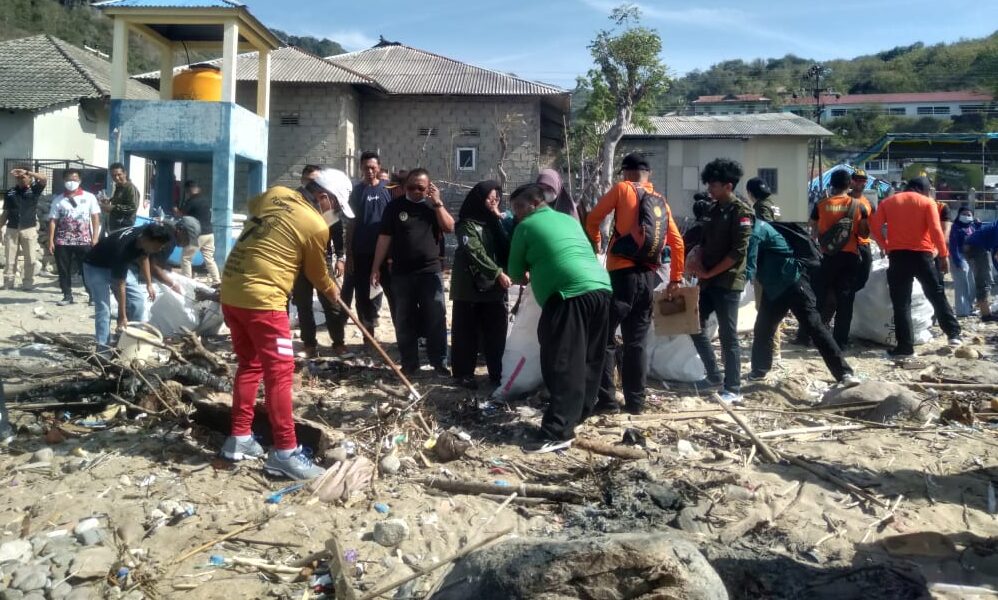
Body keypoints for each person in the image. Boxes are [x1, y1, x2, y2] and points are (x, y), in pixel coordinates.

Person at [219, 168, 352, 480]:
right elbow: (318, 274)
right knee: (280, 374)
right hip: (264, 300)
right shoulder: (315, 224)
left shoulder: (275, 194)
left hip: (232, 291)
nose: (334, 215)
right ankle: (285, 452)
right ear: (322, 197)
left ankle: (238, 437)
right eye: (335, 207)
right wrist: (336, 294)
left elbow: (255, 208)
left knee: (249, 365)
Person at [507, 183, 611, 453]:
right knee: (589, 357)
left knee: (561, 361)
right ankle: (579, 414)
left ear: (535, 203)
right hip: (601, 288)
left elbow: (516, 273)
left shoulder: (525, 227)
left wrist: (532, 268)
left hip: (567, 294)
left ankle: (557, 430)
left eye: (519, 207)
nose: (516, 213)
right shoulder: (567, 219)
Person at [585, 153, 684, 415]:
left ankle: (607, 402)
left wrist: (596, 243)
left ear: (626, 173)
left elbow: (593, 218)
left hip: (622, 275)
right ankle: (636, 403)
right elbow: (677, 243)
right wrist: (675, 278)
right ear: (648, 174)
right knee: (636, 342)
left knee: (605, 338)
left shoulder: (622, 189)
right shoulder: (660, 201)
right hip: (648, 279)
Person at [745, 218, 860, 386]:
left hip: (792, 282)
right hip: (773, 287)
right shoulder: (747, 229)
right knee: (763, 329)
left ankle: (844, 373)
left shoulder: (755, 230)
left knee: (814, 327)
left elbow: (749, 264)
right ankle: (759, 371)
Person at [371, 169, 455, 376]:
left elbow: (449, 227)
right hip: (401, 273)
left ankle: (439, 361)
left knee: (436, 317)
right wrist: (375, 267)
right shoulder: (394, 207)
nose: (415, 191)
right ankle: (410, 362)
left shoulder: (432, 206)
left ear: (429, 188)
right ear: (404, 186)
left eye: (421, 188)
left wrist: (438, 203)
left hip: (430, 272)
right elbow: (384, 238)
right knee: (403, 318)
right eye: (411, 187)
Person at [869, 176, 962, 358]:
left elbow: (874, 228)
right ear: (923, 189)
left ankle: (905, 347)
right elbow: (936, 230)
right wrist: (943, 255)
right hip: (922, 256)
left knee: (901, 303)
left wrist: (885, 245)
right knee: (936, 294)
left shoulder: (888, 202)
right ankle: (953, 334)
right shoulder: (927, 203)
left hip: (897, 256)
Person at [686, 159, 754, 403]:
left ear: (728, 185)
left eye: (714, 185)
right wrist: (696, 257)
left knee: (728, 335)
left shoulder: (741, 212)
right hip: (708, 280)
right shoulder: (713, 210)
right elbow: (704, 243)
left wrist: (709, 273)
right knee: (693, 324)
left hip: (727, 282)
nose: (709, 189)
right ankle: (713, 374)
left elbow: (737, 252)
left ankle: (733, 388)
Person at [450, 181, 510, 389]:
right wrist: (497, 272)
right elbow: (474, 251)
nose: (493, 202)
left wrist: (497, 217)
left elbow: (507, 246)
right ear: (479, 199)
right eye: (489, 199)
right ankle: (464, 374)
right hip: (469, 287)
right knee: (466, 332)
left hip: (494, 288)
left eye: (497, 199)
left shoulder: (495, 222)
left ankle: (497, 373)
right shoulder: (467, 224)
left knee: (496, 331)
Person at [83, 222, 172, 350]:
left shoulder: (145, 232)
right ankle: (103, 349)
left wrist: (148, 284)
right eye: (158, 246)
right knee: (104, 309)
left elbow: (143, 256)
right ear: (147, 240)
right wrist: (121, 316)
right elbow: (120, 285)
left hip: (115, 263)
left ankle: (129, 341)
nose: (160, 249)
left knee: (138, 301)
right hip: (96, 266)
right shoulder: (123, 248)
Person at [291, 165, 349, 357]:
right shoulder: (295, 203)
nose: (311, 186)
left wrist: (340, 257)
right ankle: (309, 344)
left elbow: (337, 233)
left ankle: (338, 342)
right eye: (309, 182)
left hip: (322, 259)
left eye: (315, 182)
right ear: (303, 182)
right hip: (298, 262)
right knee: (303, 304)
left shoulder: (328, 208)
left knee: (332, 301)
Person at [809, 169, 870, 350]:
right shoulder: (858, 206)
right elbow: (864, 232)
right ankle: (840, 342)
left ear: (832, 184)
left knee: (820, 298)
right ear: (849, 184)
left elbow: (813, 229)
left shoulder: (821, 204)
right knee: (845, 300)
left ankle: (817, 338)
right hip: (849, 256)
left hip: (827, 257)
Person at [343, 152, 395, 339]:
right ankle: (368, 336)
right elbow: (351, 223)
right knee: (363, 296)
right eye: (366, 168)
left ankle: (403, 339)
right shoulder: (357, 192)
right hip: (362, 252)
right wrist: (349, 254)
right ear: (361, 169)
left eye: (373, 167)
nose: (370, 171)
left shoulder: (388, 189)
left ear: (379, 167)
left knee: (393, 295)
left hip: (386, 254)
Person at [48, 169, 101, 305]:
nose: (72, 182)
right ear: (64, 181)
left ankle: (92, 296)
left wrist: (95, 238)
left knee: (87, 269)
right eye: (68, 180)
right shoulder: (58, 199)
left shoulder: (89, 197)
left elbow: (95, 217)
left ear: (80, 181)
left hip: (84, 240)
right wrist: (51, 241)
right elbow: (53, 220)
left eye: (75, 179)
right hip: (62, 241)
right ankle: (67, 295)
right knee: (63, 269)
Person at [2, 167, 47, 290]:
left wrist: (27, 172)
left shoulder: (34, 189)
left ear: (29, 177)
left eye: (23, 177)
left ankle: (27, 283)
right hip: (12, 228)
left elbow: (43, 179)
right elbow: (5, 212)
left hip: (29, 228)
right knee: (10, 258)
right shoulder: (10, 192)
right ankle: (8, 283)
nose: (20, 179)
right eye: (18, 178)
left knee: (30, 258)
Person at [178, 180, 221, 285]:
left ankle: (187, 282)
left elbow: (181, 214)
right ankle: (217, 281)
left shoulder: (191, 201)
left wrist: (175, 210)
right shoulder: (205, 200)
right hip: (209, 234)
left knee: (186, 258)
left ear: (188, 190)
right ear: (198, 188)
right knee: (209, 259)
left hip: (198, 235)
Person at [949, 206, 982, 318]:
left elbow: (978, 237)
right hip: (958, 256)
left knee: (971, 284)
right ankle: (962, 311)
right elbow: (953, 246)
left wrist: (979, 226)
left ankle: (969, 308)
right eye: (964, 214)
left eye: (969, 215)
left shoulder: (972, 227)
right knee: (961, 285)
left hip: (969, 258)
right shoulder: (956, 227)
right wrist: (958, 261)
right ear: (958, 215)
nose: (966, 216)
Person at [848, 169, 875, 292]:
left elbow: (872, 226)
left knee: (863, 279)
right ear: (851, 182)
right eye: (858, 180)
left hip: (863, 245)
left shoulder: (869, 204)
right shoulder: (842, 200)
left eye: (864, 181)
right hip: (845, 246)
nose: (861, 183)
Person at [965, 220, 998, 321]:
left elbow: (995, 253)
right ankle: (986, 315)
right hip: (976, 248)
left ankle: (986, 312)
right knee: (983, 280)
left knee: (985, 278)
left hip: (978, 247)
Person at [105, 163, 140, 231]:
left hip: (124, 227)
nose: (116, 178)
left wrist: (113, 207)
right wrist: (109, 201)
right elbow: (120, 201)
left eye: (119, 174)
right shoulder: (119, 187)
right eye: (113, 176)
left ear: (125, 173)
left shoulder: (130, 188)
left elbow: (132, 207)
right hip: (115, 226)